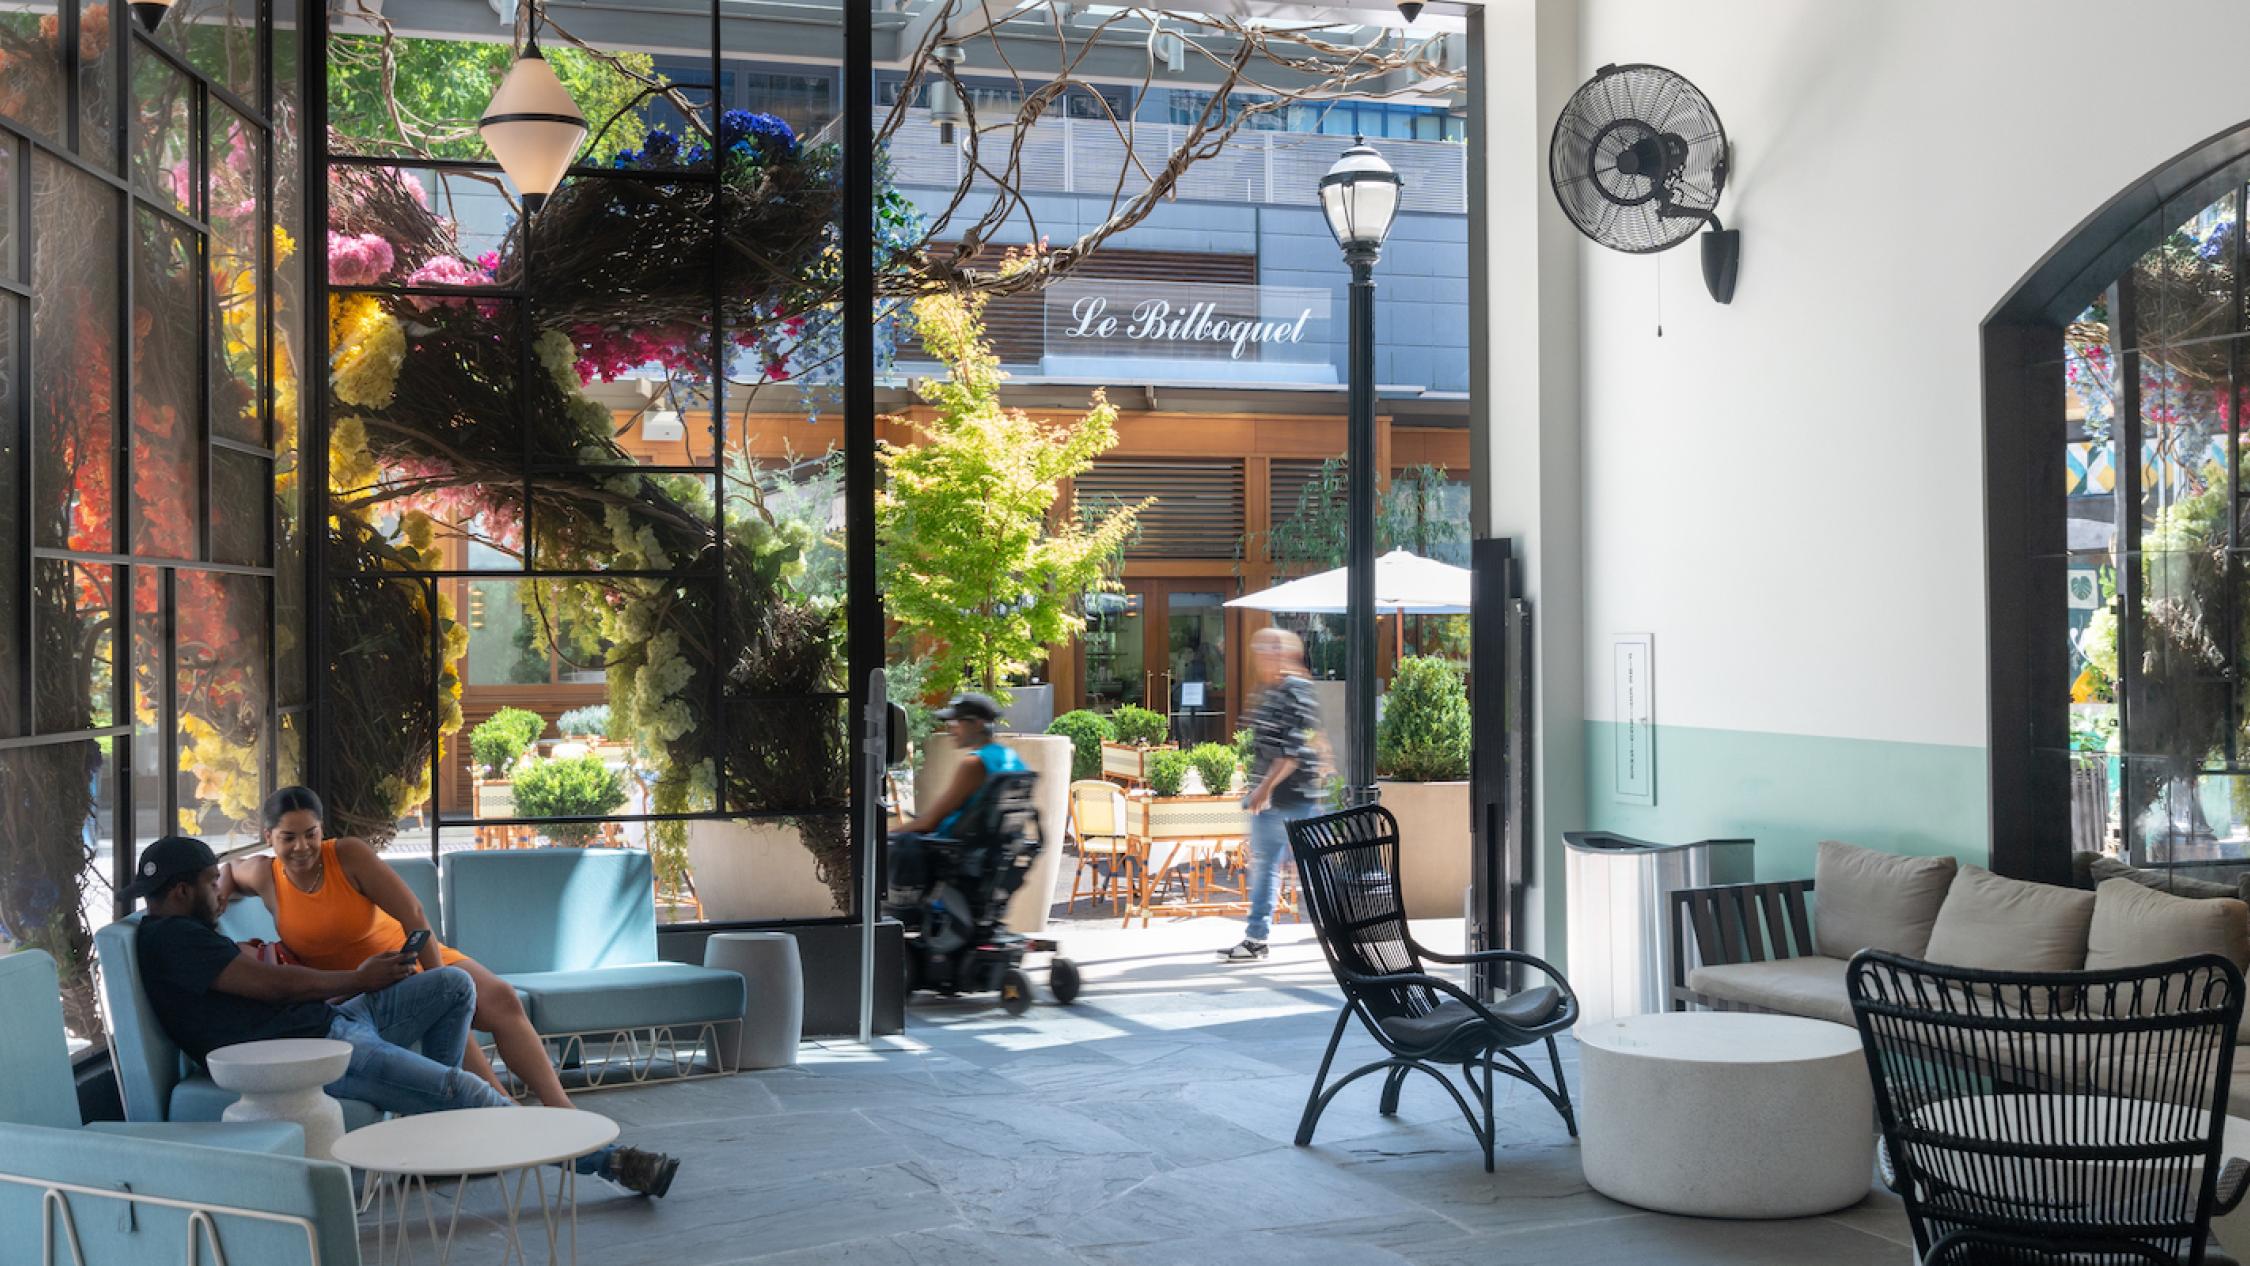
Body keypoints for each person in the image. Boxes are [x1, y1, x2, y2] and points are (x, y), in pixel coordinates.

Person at [131, 834, 679, 1198]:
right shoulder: (173, 938)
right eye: (209, 886)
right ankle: (610, 1164)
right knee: (467, 1091)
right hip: (316, 1054)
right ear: (181, 892)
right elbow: (274, 986)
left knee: (452, 985)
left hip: (333, 1022)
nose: (219, 894)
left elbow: (257, 963)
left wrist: (355, 990)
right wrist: (357, 979)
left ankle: (437, 1137)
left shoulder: (180, 927)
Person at [220, 786, 572, 1110]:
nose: (302, 847)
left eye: (310, 834)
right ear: (269, 837)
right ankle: (504, 1111)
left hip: (404, 956)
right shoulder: (266, 876)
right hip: (362, 986)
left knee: (500, 996)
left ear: (321, 829)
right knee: (453, 1020)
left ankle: (561, 1111)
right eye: (288, 838)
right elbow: (231, 870)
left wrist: (440, 978)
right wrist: (220, 891)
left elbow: (413, 913)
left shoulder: (347, 855)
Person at [1218, 627, 1328, 963]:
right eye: (1262, 647)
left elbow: (1292, 752)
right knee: (1270, 867)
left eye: (1273, 647)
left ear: (1288, 653)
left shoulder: (1295, 690)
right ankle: (1256, 939)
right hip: (1274, 801)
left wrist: (1261, 791)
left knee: (1312, 871)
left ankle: (1340, 931)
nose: (1265, 653)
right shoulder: (1270, 690)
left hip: (1293, 798)